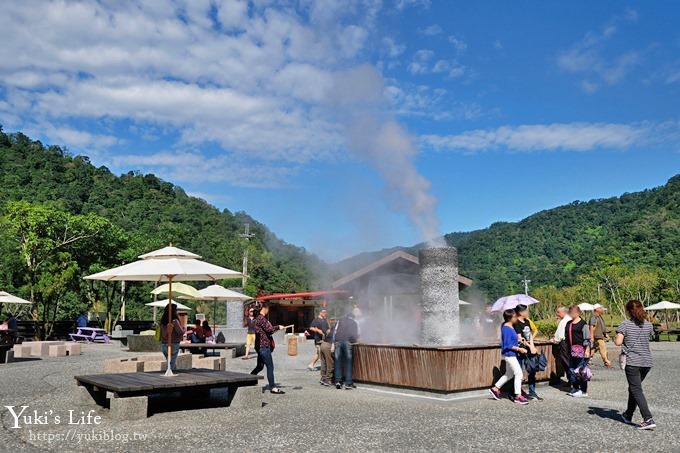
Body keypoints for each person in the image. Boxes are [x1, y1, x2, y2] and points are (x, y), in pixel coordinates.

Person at [615, 300, 656, 430]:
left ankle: (648, 418)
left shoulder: (625, 324)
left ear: (628, 311)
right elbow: (649, 337)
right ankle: (628, 414)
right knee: (634, 388)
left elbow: (618, 342)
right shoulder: (648, 325)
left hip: (633, 362)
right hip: (647, 362)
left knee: (636, 389)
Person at [489, 309, 529, 405]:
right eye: (515, 316)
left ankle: (495, 388)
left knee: (509, 374)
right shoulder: (506, 328)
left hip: (511, 354)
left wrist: (519, 340)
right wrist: (519, 349)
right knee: (519, 374)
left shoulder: (510, 327)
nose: (516, 318)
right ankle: (518, 396)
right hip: (509, 355)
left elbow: (511, 341)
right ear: (510, 318)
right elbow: (507, 345)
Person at [249, 302, 285, 394]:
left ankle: (248, 379)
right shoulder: (261, 318)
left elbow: (267, 331)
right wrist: (278, 327)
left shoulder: (258, 318)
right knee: (270, 367)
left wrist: (274, 329)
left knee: (260, 366)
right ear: (264, 308)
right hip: (264, 347)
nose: (268, 310)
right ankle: (273, 387)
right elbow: (270, 329)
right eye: (268, 308)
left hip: (260, 346)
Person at [513, 305, 542, 400]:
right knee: (519, 372)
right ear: (521, 312)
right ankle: (517, 392)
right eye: (525, 311)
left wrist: (532, 347)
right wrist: (529, 346)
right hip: (521, 350)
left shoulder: (527, 321)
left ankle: (532, 392)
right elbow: (520, 338)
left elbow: (529, 336)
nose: (527, 312)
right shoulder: (516, 323)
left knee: (532, 371)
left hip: (529, 350)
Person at [564, 305, 591, 397]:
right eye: (571, 311)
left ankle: (583, 390)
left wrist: (587, 349)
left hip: (581, 350)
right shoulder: (568, 323)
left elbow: (587, 338)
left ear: (578, 313)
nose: (572, 313)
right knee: (572, 369)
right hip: (571, 350)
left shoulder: (583, 324)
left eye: (574, 311)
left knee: (581, 370)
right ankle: (575, 387)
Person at [332, 311, 359, 390]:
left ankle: (337, 381)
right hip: (347, 342)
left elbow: (335, 332)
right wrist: (354, 341)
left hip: (338, 341)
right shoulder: (354, 322)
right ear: (352, 317)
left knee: (337, 361)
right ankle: (348, 382)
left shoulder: (339, 321)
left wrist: (334, 342)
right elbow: (356, 334)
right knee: (348, 362)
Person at [160, 303, 185, 372]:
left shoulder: (163, 321)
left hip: (164, 344)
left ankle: (173, 373)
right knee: (171, 365)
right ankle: (169, 377)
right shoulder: (174, 321)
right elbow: (180, 332)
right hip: (173, 344)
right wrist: (184, 329)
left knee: (170, 363)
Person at [551, 307, 572, 385]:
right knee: (569, 361)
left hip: (564, 344)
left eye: (558, 312)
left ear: (564, 312)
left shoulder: (564, 321)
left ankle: (572, 380)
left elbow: (559, 336)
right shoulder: (569, 319)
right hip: (569, 343)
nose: (557, 314)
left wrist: (553, 340)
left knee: (566, 362)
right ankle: (571, 380)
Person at [589, 304, 612, 368]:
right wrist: (591, 337)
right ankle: (606, 361)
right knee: (603, 348)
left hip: (598, 336)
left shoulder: (599, 316)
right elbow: (591, 326)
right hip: (596, 336)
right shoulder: (593, 317)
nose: (602, 310)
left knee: (593, 349)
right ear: (596, 309)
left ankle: (588, 361)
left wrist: (605, 334)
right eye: (601, 308)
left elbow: (602, 327)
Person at [308, 309, 329, 373]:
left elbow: (327, 328)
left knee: (319, 353)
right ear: (320, 313)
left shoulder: (325, 320)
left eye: (326, 312)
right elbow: (311, 328)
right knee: (319, 352)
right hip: (318, 338)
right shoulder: (316, 320)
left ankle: (311, 364)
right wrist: (317, 330)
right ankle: (320, 366)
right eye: (324, 312)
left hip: (325, 338)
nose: (325, 313)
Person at [318, 320, 335, 386]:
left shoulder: (331, 329)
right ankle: (328, 380)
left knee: (323, 363)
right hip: (328, 345)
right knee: (330, 363)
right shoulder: (336, 329)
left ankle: (323, 378)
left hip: (323, 344)